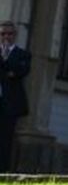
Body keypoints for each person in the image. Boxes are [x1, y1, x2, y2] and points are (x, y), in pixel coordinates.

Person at [0, 20, 30, 173]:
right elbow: (9, 73)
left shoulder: (23, 54)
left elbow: (20, 72)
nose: (6, 37)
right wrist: (8, 72)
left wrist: (5, 61)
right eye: (3, 34)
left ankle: (2, 170)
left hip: (10, 104)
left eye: (9, 34)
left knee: (5, 138)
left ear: (15, 35)